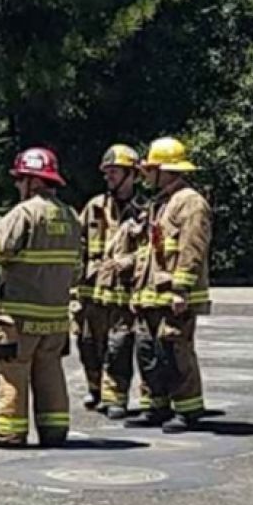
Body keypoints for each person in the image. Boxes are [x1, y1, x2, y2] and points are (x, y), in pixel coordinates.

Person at [0, 147, 83, 448]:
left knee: (13, 372)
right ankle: (54, 431)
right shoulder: (70, 216)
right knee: (49, 373)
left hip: (18, 317)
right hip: (54, 319)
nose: (16, 186)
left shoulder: (24, 212)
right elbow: (76, 269)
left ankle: (10, 433)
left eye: (19, 180)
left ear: (30, 180)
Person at [129, 137, 213, 433]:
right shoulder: (162, 202)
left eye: (150, 169)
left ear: (165, 170)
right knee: (149, 351)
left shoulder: (191, 203)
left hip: (174, 295)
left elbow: (192, 249)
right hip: (152, 295)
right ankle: (156, 406)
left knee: (176, 351)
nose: (146, 174)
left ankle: (188, 410)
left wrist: (181, 290)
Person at [76, 144, 144, 419]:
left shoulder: (145, 210)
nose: (109, 178)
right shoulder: (95, 207)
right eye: (107, 173)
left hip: (124, 294)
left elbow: (153, 250)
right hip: (92, 293)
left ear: (132, 175)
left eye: (114, 172)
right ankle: (96, 390)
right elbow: (77, 245)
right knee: (88, 343)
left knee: (119, 346)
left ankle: (117, 398)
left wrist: (130, 262)